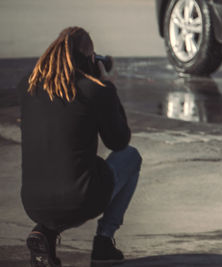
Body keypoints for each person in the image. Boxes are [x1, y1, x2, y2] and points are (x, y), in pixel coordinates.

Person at [19, 26, 142, 267]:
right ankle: (103, 242)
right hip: (80, 199)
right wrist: (107, 85)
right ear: (89, 59)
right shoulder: (94, 90)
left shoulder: (27, 85)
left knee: (62, 169)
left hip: (32, 202)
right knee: (130, 157)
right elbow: (118, 142)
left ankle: (44, 233)